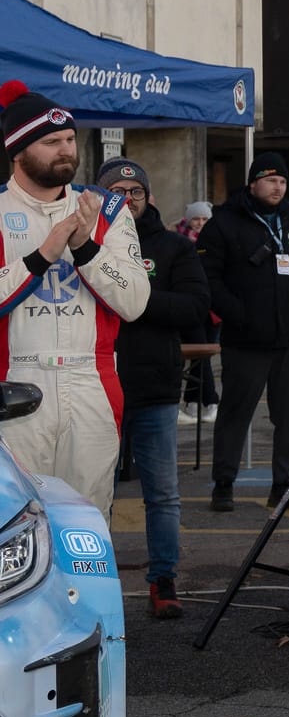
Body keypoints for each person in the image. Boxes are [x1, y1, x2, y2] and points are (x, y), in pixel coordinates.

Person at [0, 82, 149, 515]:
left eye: (69, 139)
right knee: (16, 520)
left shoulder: (106, 209)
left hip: (92, 380)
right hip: (16, 382)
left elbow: (135, 302)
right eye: (50, 142)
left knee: (88, 517)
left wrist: (86, 249)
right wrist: (42, 256)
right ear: (18, 151)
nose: (66, 149)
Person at [98, 160, 207, 619]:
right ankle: (89, 582)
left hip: (154, 386)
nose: (127, 197)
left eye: (135, 190)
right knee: (89, 495)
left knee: (162, 494)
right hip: (96, 388)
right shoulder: (85, 241)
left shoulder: (175, 248)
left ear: (148, 196)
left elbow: (196, 307)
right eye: (117, 190)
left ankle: (162, 580)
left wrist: (134, 299)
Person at [198, 152, 289, 512]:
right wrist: (237, 314)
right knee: (236, 413)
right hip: (246, 339)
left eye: (282, 181)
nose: (277, 186)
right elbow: (207, 278)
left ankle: (284, 485)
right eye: (269, 180)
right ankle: (224, 484)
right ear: (253, 183)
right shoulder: (224, 224)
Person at [174, 199, 220, 424]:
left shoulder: (215, 241)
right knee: (197, 355)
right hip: (190, 306)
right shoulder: (179, 241)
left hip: (212, 309)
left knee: (201, 356)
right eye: (196, 219)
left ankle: (203, 402)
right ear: (188, 220)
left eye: (204, 219)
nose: (200, 223)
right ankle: (203, 401)